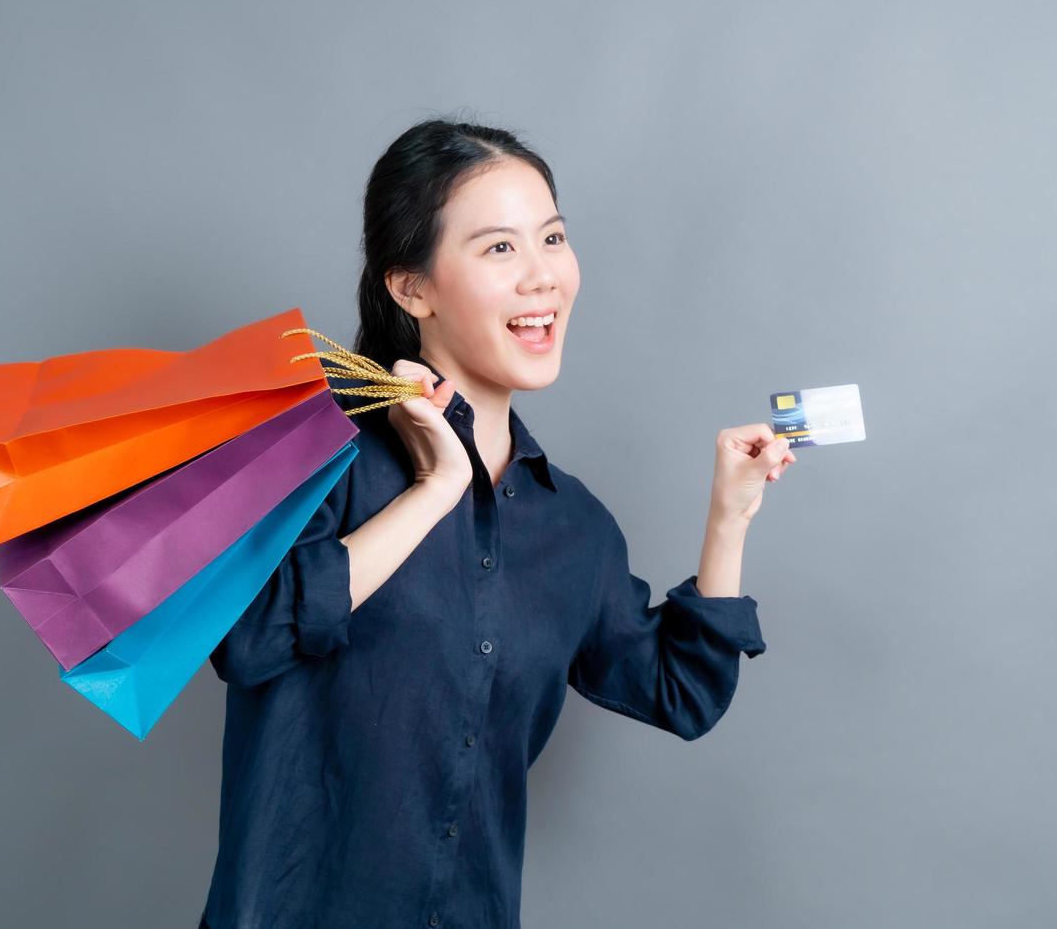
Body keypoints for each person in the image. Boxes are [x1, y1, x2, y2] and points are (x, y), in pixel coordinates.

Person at [198, 117, 795, 929]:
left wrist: (731, 512)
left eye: (552, 238)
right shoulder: (321, 454)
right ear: (412, 287)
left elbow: (679, 690)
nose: (543, 277)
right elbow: (247, 639)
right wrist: (437, 488)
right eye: (500, 249)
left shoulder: (572, 526)